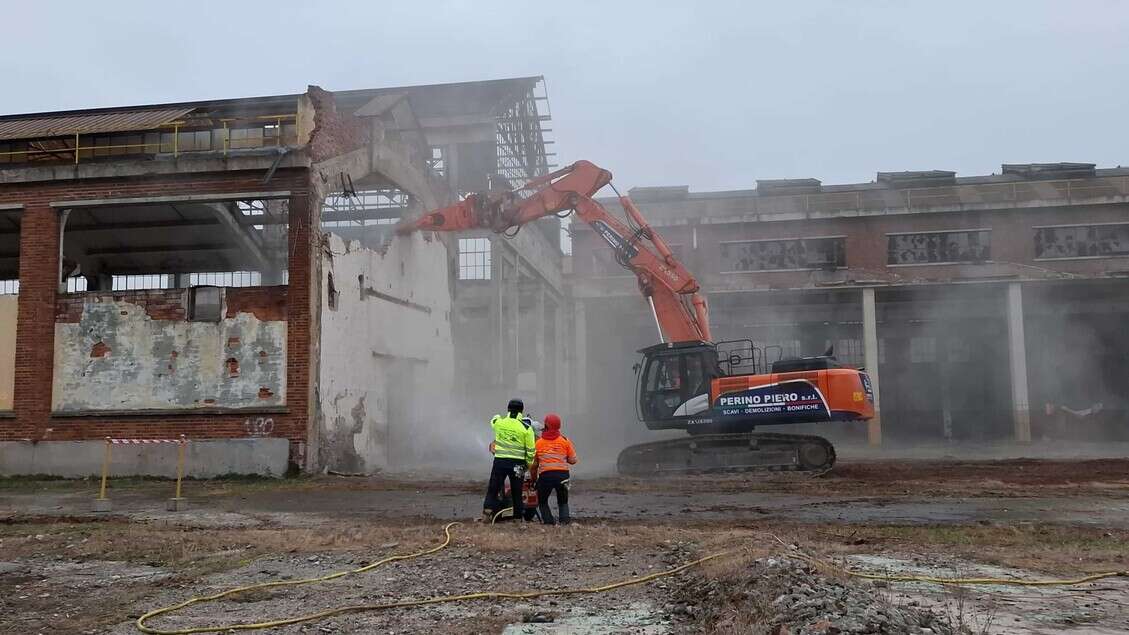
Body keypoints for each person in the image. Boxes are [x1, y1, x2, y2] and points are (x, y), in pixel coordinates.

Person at [483, 398, 536, 522]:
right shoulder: (526, 428)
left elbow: (493, 419)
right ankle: (518, 518)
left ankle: (487, 514)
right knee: (517, 491)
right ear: (521, 411)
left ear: (508, 409)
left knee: (493, 488)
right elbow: (531, 450)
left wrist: (497, 415)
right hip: (518, 464)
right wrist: (527, 465)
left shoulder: (499, 423)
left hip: (500, 462)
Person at [532, 413, 578, 525]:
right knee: (563, 501)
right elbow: (573, 460)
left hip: (545, 477)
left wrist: (534, 480)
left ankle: (548, 522)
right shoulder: (565, 440)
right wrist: (562, 458)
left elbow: (534, 465)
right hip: (563, 476)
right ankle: (565, 521)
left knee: (542, 501)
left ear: (546, 426)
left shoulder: (538, 443)